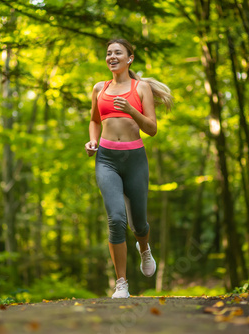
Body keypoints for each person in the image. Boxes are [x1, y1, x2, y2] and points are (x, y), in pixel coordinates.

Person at [85, 38, 173, 298]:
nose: (112, 56)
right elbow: (93, 120)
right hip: (107, 159)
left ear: (129, 58)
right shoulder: (99, 88)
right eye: (109, 53)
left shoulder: (141, 87)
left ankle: (144, 248)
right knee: (116, 219)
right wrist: (92, 140)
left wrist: (131, 110)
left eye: (118, 53)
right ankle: (121, 283)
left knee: (139, 223)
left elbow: (152, 129)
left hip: (135, 159)